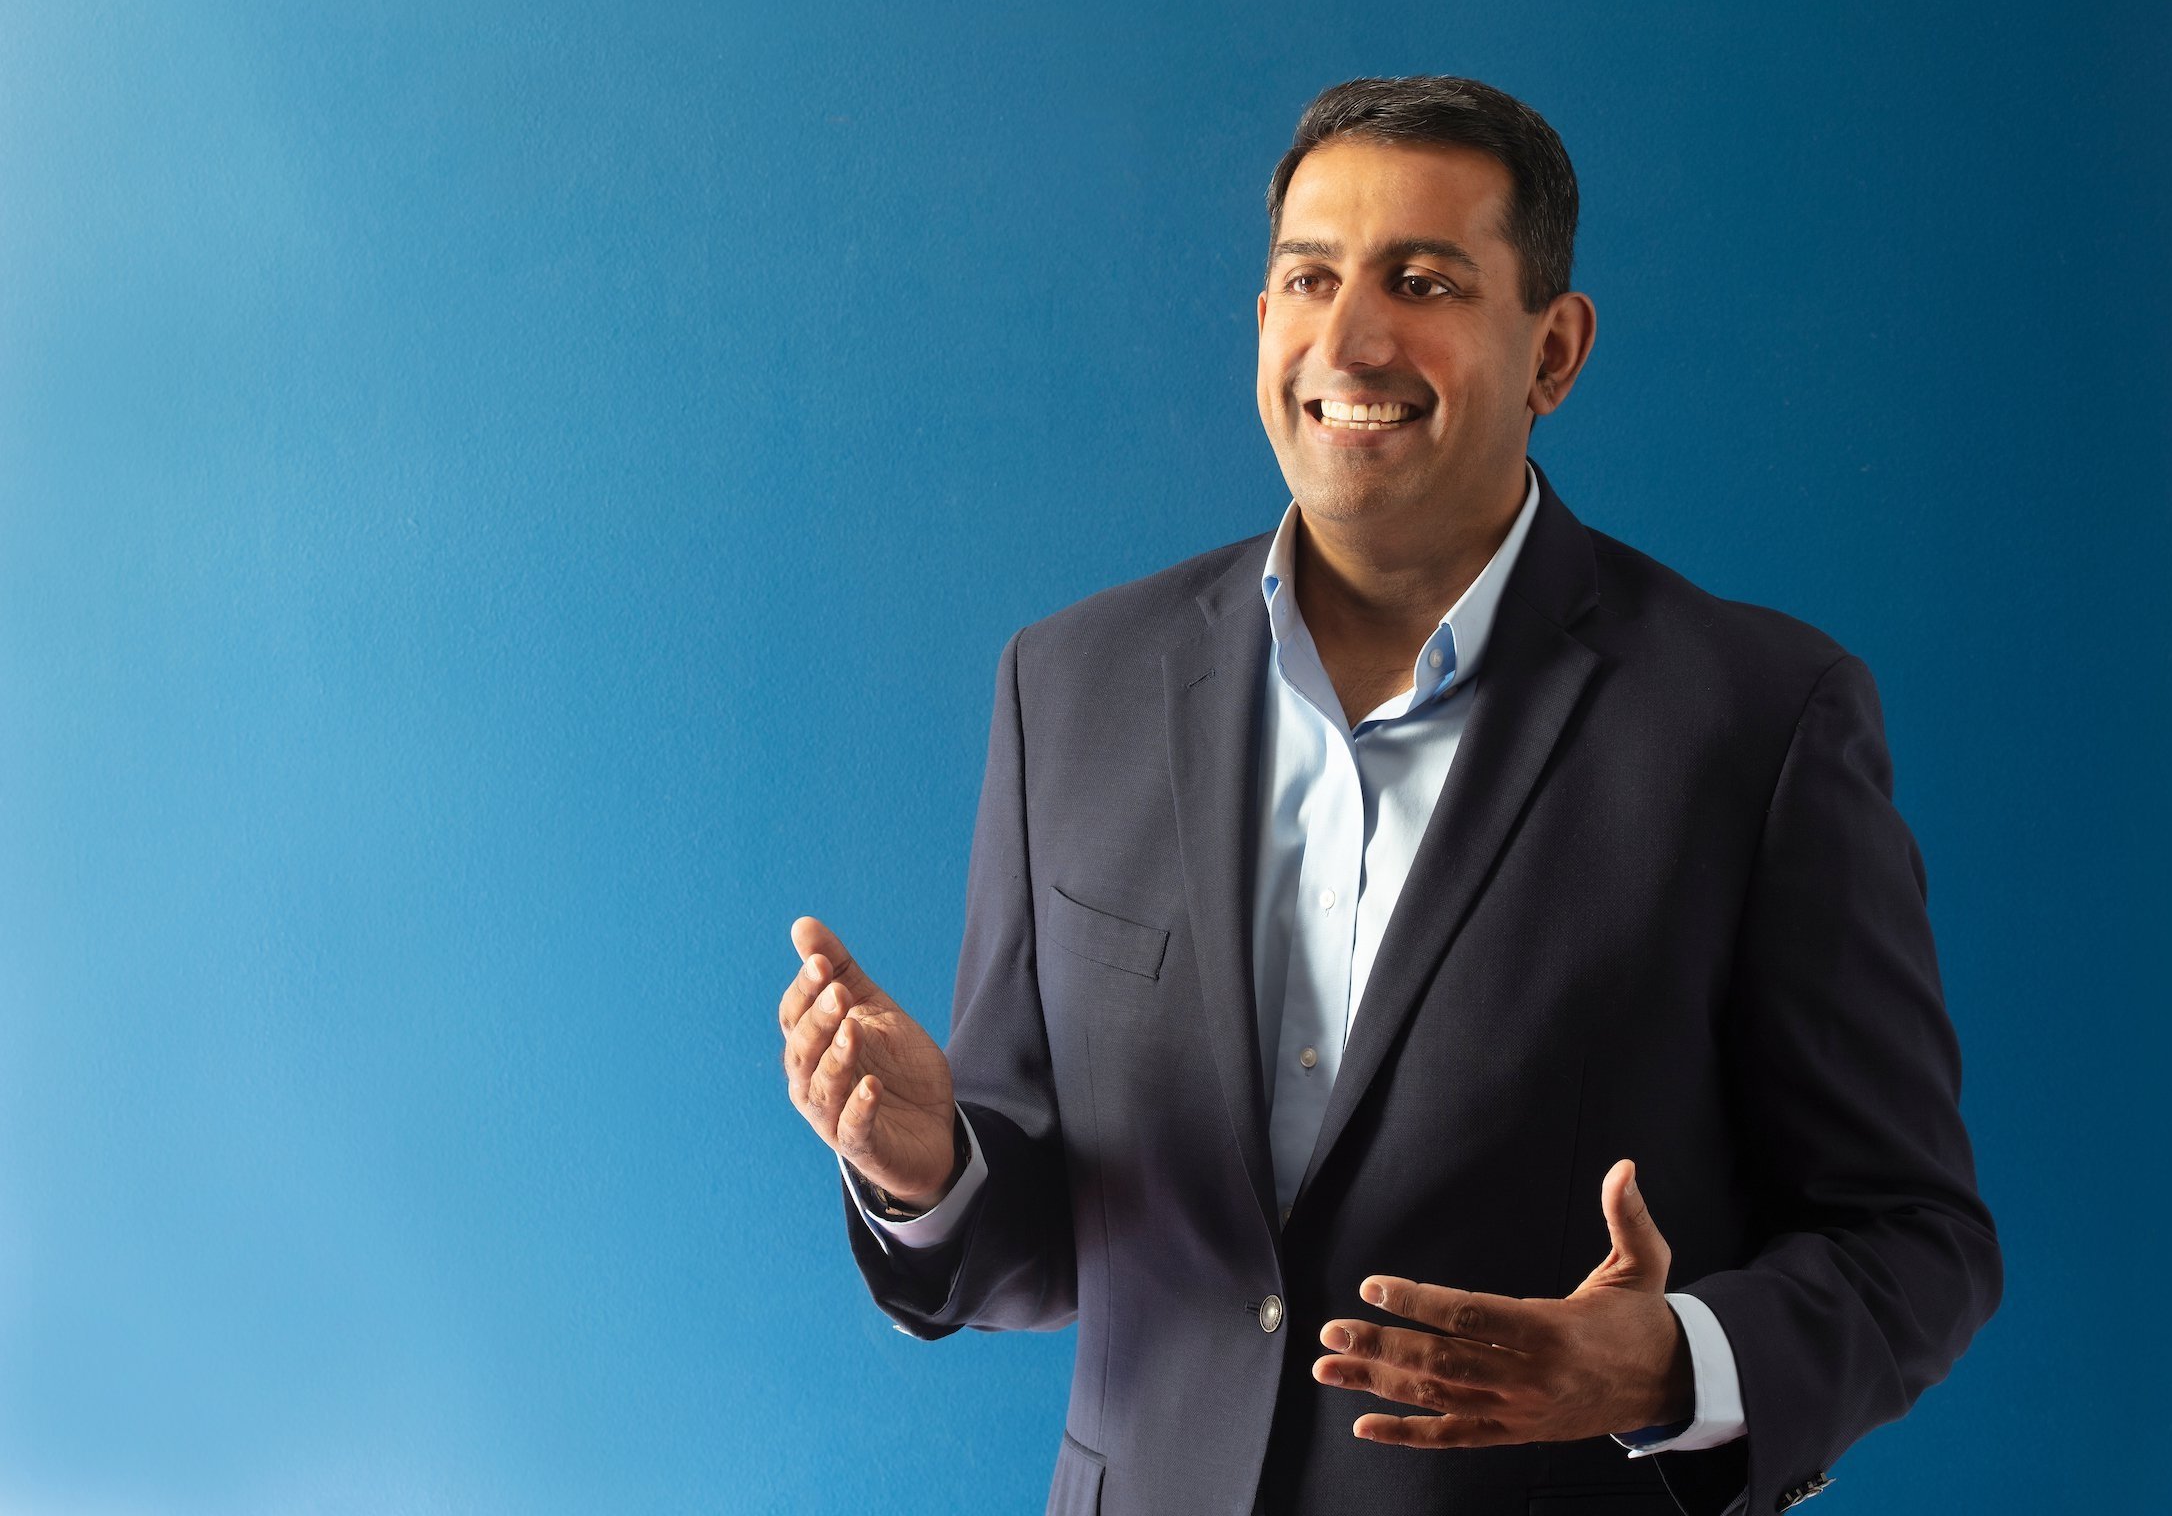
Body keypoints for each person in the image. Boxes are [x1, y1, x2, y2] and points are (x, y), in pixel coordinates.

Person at [777, 75, 2001, 1516]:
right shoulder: (1071, 687)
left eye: (1422, 280)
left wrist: (1667, 1366)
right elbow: (1051, 1247)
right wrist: (929, 1172)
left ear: (1555, 349)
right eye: (1311, 277)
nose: (1350, 339)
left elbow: (1914, 1242)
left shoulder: (1757, 718)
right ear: (1263, 323)